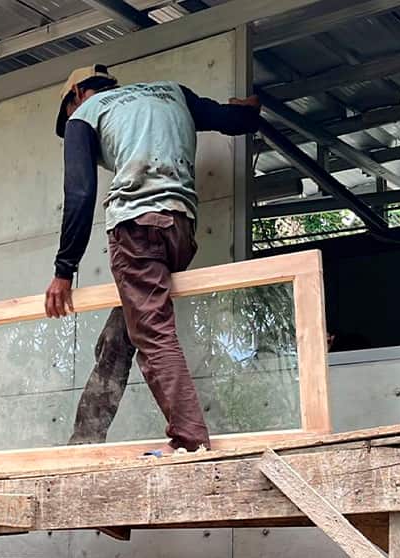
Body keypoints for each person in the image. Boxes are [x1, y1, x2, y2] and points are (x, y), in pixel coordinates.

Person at [44, 65, 261, 456]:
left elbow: (79, 194)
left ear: (76, 93)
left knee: (154, 336)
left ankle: (192, 445)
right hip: (179, 229)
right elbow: (234, 120)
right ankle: (84, 444)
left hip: (136, 230)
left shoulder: (84, 116)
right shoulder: (171, 91)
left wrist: (64, 270)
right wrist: (249, 108)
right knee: (119, 337)